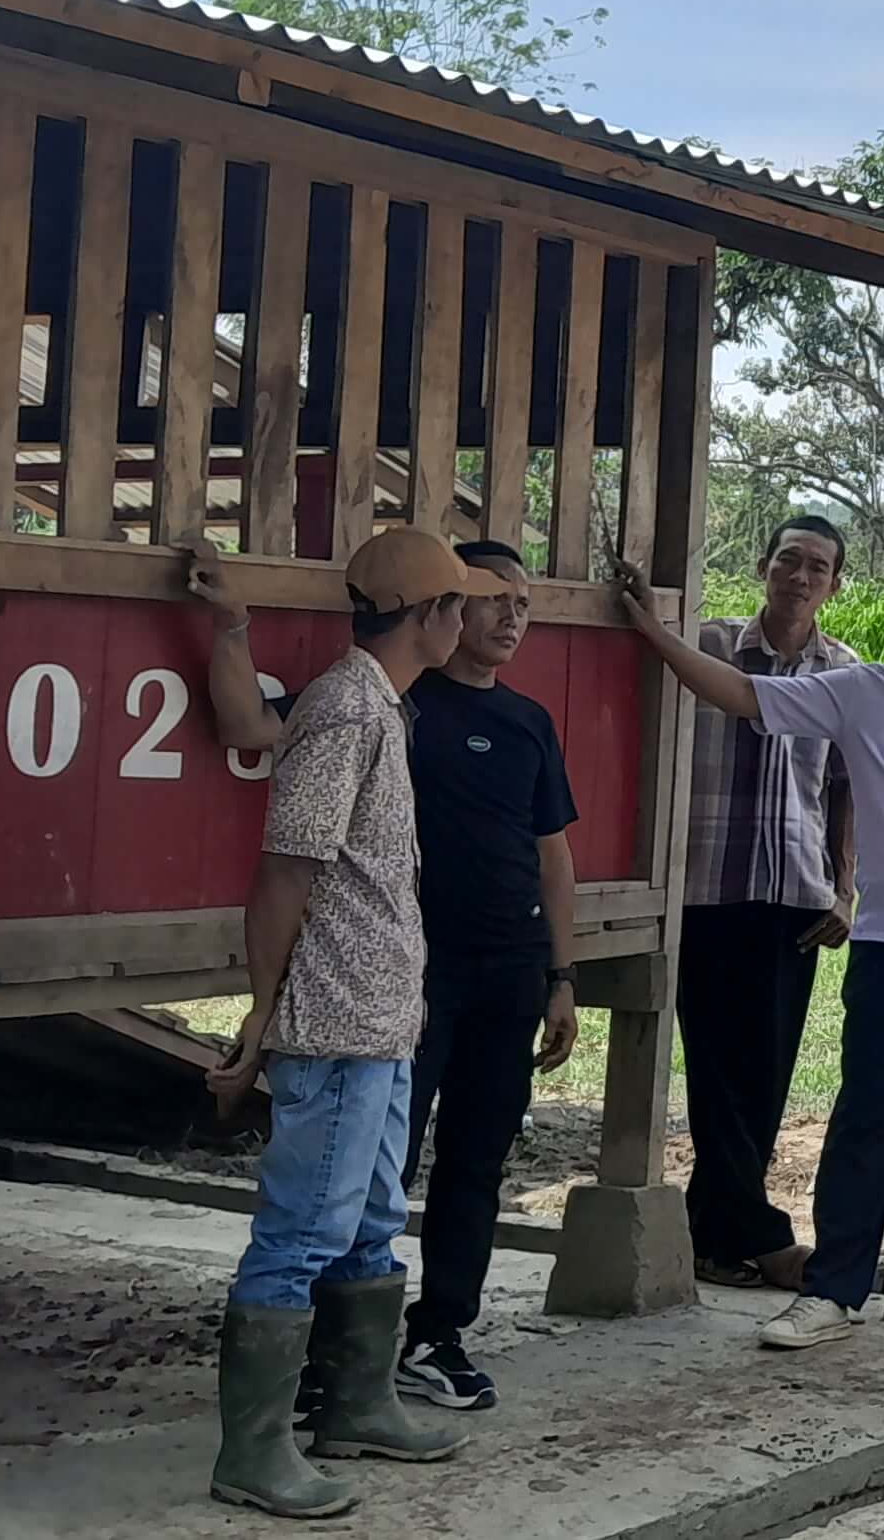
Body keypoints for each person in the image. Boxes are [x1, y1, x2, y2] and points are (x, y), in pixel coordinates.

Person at [615, 549, 884, 1353]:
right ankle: (837, 1288)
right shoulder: (859, 694)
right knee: (867, 1110)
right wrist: (650, 630)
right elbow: (740, 693)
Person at [192, 537, 583, 1417]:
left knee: (421, 1191)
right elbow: (278, 845)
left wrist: (562, 971)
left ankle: (402, 1366)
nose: (506, 614)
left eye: (521, 601)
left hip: (445, 989)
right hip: (360, 1001)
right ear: (438, 612)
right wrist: (230, 629)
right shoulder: (361, 706)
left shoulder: (470, 716)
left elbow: (553, 857)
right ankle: (292, 1405)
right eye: (482, 598)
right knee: (331, 1204)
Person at [677, 517, 860, 1295]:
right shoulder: (709, 648)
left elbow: (850, 790)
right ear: (763, 565)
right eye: (789, 558)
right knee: (714, 1069)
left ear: (836, 585)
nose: (801, 575)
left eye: (818, 566)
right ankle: (758, 1233)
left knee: (765, 1074)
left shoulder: (846, 675)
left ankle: (714, 1237)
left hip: (794, 896)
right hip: (705, 887)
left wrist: (845, 887)